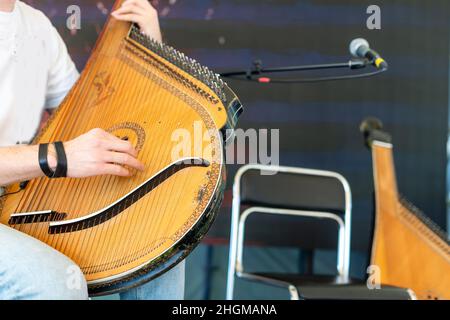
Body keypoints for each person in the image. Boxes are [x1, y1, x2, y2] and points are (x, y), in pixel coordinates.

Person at [0, 0, 185, 300]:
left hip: (18, 199)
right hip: (21, 194)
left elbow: (94, 119)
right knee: (56, 281)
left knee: (159, 240)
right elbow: (67, 152)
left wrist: (150, 49)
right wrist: (59, 156)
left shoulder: (35, 25)